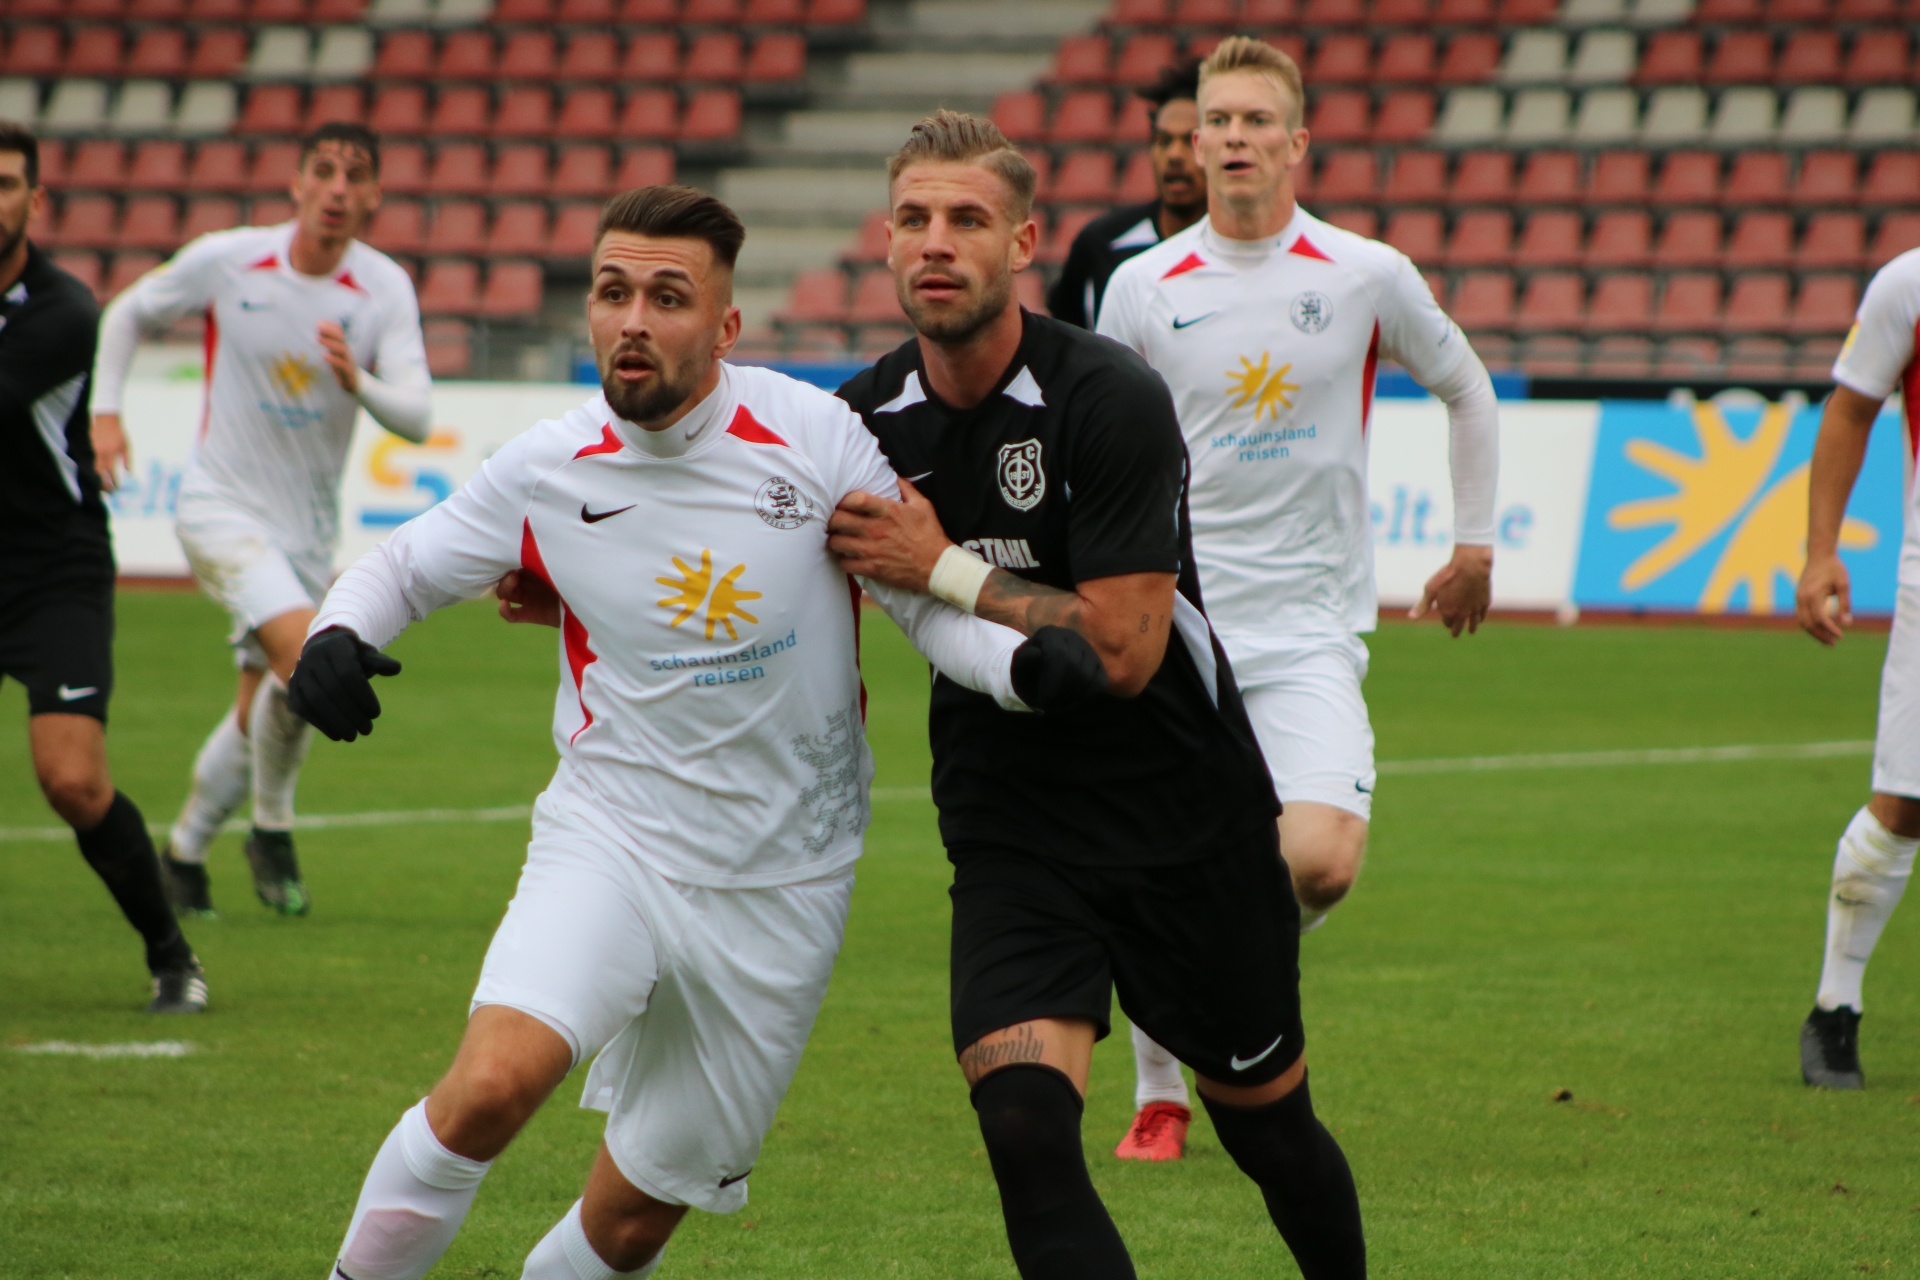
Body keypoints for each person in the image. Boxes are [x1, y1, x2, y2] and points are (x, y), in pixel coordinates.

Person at [289, 185, 1097, 1280]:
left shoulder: (812, 434)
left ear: (723, 327)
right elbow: (404, 563)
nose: (633, 319)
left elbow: (919, 605)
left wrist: (1021, 666)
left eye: (668, 297)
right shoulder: (546, 465)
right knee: (489, 1084)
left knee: (631, 1223)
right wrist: (335, 634)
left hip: (784, 881)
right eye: (613, 291)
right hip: (612, 836)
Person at [830, 111, 1367, 1280]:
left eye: (967, 219)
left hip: (1184, 816)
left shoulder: (1109, 396)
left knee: (1269, 1128)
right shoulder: (861, 420)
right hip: (1013, 823)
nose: (937, 241)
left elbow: (1121, 651)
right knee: (1023, 1122)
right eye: (915, 218)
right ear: (885, 241)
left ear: (1023, 241)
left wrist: (948, 568)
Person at [1095, 36, 1501, 1159]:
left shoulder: (1362, 272)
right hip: (1175, 626)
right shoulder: (1142, 286)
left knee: (1316, 858)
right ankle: (1162, 1088)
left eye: (1253, 121)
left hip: (1312, 623)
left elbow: (1465, 384)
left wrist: (1474, 545)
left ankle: (1186, 979)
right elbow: (1094, 442)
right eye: (1214, 121)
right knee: (1174, 848)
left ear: (1297, 142)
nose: (1229, 138)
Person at [91, 122, 431, 920]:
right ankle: (272, 830)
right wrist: (106, 415)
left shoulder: (384, 289)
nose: (339, 188)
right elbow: (127, 316)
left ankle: (183, 852)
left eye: (357, 175)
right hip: (222, 508)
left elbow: (416, 415)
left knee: (270, 704)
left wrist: (360, 381)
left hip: (307, 532)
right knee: (309, 662)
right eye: (325, 171)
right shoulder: (229, 259)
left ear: (376, 195)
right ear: (297, 184)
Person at [0, 119, 206, 1013]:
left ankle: (172, 956)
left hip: (52, 572)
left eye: (6, 183)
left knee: (74, 780)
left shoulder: (64, 312)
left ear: (35, 201)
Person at [1792, 245, 1920, 1090]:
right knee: (1907, 801)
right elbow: (1849, 411)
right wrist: (1821, 551)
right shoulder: (1908, 282)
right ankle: (1836, 1007)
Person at [1044, 58, 1206, 330]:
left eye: (1191, 141)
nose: (1174, 156)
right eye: (1163, 141)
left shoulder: (1245, 249)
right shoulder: (1099, 244)